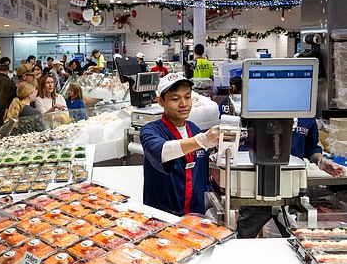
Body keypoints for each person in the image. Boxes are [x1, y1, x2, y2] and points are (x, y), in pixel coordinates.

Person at [237, 118, 346, 238]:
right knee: (243, 238)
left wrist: (322, 162)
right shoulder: (260, 111)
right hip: (257, 191)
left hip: (292, 193)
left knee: (297, 241)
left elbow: (311, 148)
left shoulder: (307, 118)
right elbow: (242, 147)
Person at [140, 73, 220, 216]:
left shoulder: (194, 129)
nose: (183, 104)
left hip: (196, 216)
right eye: (175, 99)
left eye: (187, 97)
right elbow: (163, 151)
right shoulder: (150, 131)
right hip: (163, 217)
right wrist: (202, 140)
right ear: (160, 101)